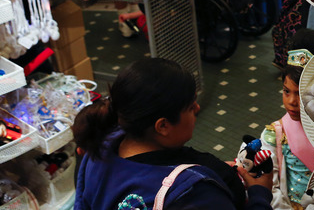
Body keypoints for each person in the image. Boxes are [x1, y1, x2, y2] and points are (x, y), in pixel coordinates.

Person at [72, 58, 273, 209]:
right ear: (163, 126)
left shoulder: (97, 148)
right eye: (189, 106)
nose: (197, 107)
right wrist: (259, 194)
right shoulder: (195, 195)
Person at [262, 29, 314, 209]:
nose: (292, 102)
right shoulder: (275, 134)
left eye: (300, 94)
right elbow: (271, 185)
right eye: (286, 91)